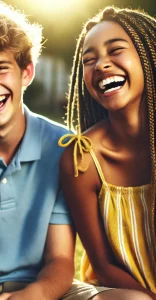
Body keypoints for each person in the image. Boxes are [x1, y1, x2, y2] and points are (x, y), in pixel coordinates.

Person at [0, 2, 130, 300]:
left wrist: (30, 297)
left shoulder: (64, 148)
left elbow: (60, 261)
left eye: (0, 68)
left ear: (27, 72)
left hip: (45, 290)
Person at [59, 6, 156, 300]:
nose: (101, 65)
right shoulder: (82, 159)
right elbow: (102, 265)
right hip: (123, 293)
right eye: (89, 60)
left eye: (116, 50)